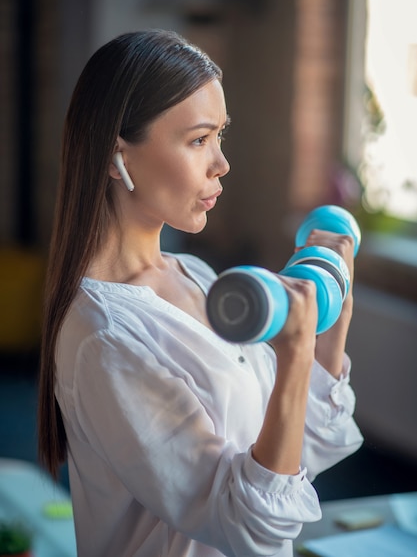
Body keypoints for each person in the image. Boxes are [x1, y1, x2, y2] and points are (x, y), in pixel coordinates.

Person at [38, 29, 363, 557]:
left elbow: (298, 449)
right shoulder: (105, 339)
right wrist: (294, 352)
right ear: (117, 156)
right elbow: (250, 527)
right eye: (198, 140)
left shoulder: (196, 275)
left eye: (220, 137)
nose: (221, 164)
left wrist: (331, 318)